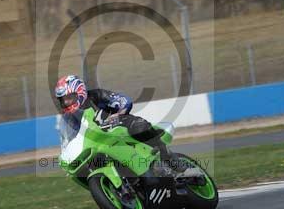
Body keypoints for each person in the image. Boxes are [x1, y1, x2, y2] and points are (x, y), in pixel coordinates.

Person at [55, 74, 201, 178]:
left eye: (69, 98)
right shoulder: (70, 118)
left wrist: (118, 114)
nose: (66, 103)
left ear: (79, 92)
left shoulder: (96, 96)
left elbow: (123, 100)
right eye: (63, 100)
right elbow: (70, 136)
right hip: (99, 141)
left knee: (140, 126)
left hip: (118, 127)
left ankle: (174, 162)